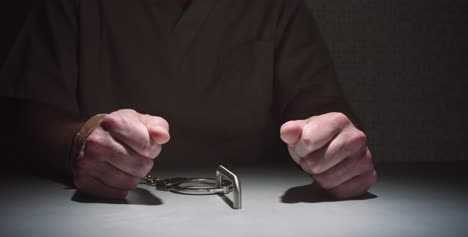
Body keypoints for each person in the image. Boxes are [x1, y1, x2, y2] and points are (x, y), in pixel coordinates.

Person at [0, 0, 376, 200]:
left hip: (256, 215)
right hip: (101, 213)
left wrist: (330, 142)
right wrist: (81, 141)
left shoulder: (275, 6)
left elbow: (318, 98)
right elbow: (26, 115)